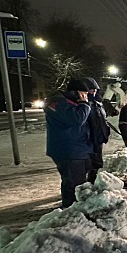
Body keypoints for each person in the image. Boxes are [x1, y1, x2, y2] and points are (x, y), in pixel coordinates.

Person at [44, 78, 92, 208]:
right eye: (84, 93)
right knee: (73, 183)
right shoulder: (58, 103)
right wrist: (84, 104)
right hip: (68, 149)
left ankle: (73, 207)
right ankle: (70, 209)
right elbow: (77, 119)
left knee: (76, 180)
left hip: (77, 148)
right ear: (76, 92)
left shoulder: (68, 103)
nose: (86, 97)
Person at [83, 77, 110, 183]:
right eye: (91, 89)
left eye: (95, 89)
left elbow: (103, 120)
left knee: (97, 162)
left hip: (98, 139)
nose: (94, 91)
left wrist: (105, 132)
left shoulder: (98, 105)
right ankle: (88, 184)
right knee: (89, 164)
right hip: (89, 141)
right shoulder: (83, 105)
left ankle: (93, 182)